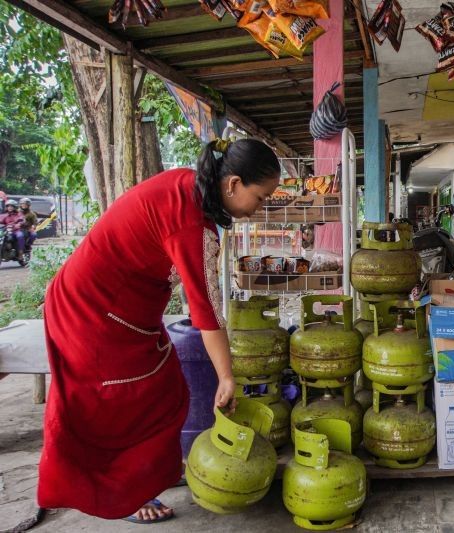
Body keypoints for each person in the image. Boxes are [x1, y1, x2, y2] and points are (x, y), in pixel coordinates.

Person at [38, 138, 281, 524]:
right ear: (233, 184)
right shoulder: (191, 223)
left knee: (167, 392)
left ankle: (144, 481)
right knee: (120, 404)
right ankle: (123, 494)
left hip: (127, 312)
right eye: (262, 197)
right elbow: (207, 313)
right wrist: (227, 377)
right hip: (92, 311)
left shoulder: (192, 189)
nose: (260, 208)